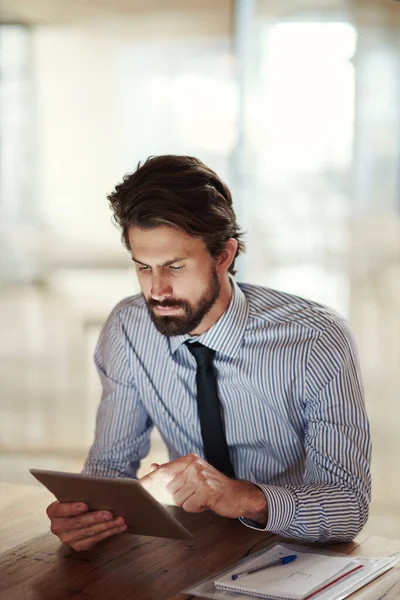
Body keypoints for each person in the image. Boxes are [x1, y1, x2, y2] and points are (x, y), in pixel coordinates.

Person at [47, 155, 371, 552]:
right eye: (143, 267)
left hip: (298, 552)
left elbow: (348, 507)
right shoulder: (129, 328)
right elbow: (110, 469)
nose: (157, 290)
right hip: (191, 550)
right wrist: (88, 516)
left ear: (223, 256)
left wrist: (244, 497)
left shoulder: (316, 339)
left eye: (175, 267)